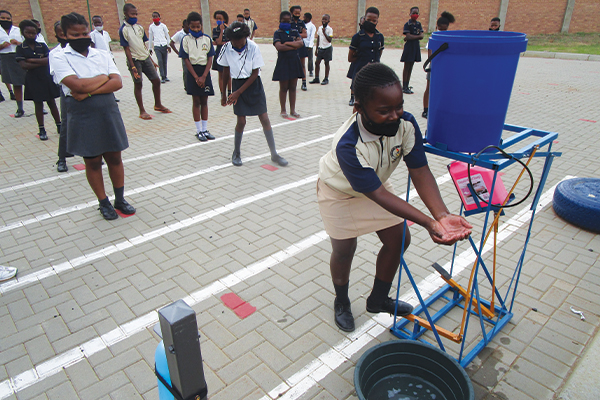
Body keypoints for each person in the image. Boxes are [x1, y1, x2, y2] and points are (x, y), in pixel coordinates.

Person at [317, 62, 472, 332]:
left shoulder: (406, 124)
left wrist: (442, 215)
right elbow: (377, 194)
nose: (394, 116)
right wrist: (428, 223)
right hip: (339, 192)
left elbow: (420, 171)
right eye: (383, 110)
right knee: (344, 250)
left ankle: (378, 299)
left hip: (373, 184)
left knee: (399, 239)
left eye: (398, 106)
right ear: (359, 108)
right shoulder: (348, 144)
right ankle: (341, 301)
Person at [51, 12, 135, 221]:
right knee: (93, 161)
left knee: (115, 158)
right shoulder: (59, 55)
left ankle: (119, 199)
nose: (81, 37)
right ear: (64, 35)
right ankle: (103, 202)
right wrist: (103, 78)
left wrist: (88, 91)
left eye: (84, 33)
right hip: (83, 114)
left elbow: (117, 82)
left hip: (107, 110)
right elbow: (76, 85)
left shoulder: (101, 54)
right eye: (75, 34)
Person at [218, 22, 288, 168]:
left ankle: (274, 153)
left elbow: (255, 73)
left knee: (265, 119)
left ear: (246, 37)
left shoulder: (253, 47)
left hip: (253, 85)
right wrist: (224, 94)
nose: (238, 45)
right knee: (241, 122)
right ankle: (236, 153)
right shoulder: (226, 48)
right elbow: (225, 71)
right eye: (235, 43)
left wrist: (238, 93)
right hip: (237, 84)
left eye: (241, 42)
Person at [119, 3, 171, 120]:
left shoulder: (139, 28)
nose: (134, 16)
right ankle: (142, 110)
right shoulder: (123, 29)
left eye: (136, 14)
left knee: (156, 80)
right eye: (132, 14)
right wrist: (132, 66)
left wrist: (151, 60)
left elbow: (143, 45)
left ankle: (158, 104)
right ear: (125, 14)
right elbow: (126, 49)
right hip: (135, 60)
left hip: (145, 58)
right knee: (138, 84)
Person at [16, 19, 61, 141]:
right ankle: (42, 129)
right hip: (33, 79)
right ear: (23, 33)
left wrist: (31, 60)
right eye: (28, 33)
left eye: (33, 33)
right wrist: (41, 61)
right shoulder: (20, 48)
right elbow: (24, 65)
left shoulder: (42, 45)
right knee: (38, 104)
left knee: (52, 102)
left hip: (46, 77)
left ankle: (59, 125)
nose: (31, 35)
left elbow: (48, 61)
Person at [180, 11, 216, 142]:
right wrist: (196, 77)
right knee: (196, 102)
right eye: (192, 27)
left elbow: (210, 58)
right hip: (192, 72)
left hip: (204, 71)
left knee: (204, 101)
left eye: (198, 26)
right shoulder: (185, 40)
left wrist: (204, 76)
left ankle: (205, 129)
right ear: (188, 26)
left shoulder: (207, 39)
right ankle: (198, 130)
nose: (195, 29)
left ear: (201, 25)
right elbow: (186, 59)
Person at [49, 20, 73, 172]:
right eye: (61, 33)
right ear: (57, 35)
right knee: (66, 125)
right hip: (67, 92)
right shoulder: (55, 54)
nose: (64, 36)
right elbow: (57, 77)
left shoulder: (82, 51)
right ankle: (62, 158)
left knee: (89, 123)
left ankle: (94, 154)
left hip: (87, 92)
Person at [347, 8, 383, 106]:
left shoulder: (380, 36)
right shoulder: (357, 37)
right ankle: (353, 98)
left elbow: (379, 53)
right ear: (364, 19)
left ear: (377, 21)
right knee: (358, 95)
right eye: (368, 20)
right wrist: (361, 60)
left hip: (375, 69)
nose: (371, 22)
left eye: (374, 21)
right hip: (360, 68)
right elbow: (350, 58)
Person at [422, 11, 454, 119]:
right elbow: (430, 54)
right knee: (429, 88)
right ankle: (425, 110)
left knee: (444, 89)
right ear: (437, 26)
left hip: (446, 67)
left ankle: (441, 109)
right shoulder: (434, 38)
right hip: (434, 66)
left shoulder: (449, 39)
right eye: (440, 29)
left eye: (444, 29)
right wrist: (433, 65)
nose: (442, 31)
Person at [272, 11, 304, 119]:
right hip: (283, 62)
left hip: (294, 61)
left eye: (288, 21)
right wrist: (293, 45)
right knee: (284, 87)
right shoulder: (277, 33)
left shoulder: (294, 31)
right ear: (280, 21)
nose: (286, 23)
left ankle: (293, 110)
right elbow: (279, 47)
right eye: (283, 21)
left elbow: (301, 43)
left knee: (293, 87)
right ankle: (283, 109)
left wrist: (286, 43)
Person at [0, 10, 27, 117]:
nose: (6, 20)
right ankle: (20, 108)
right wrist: (1, 46)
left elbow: (28, 43)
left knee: (30, 82)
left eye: (8, 18)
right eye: (3, 18)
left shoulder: (18, 30)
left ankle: (39, 105)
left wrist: (18, 43)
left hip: (20, 57)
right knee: (16, 83)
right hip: (6, 58)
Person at [90, 15, 120, 102]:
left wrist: (112, 56)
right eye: (95, 23)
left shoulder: (106, 33)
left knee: (111, 76)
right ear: (93, 24)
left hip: (109, 57)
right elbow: (92, 47)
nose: (97, 24)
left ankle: (112, 94)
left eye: (99, 22)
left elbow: (108, 46)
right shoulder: (92, 35)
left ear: (102, 23)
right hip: (99, 59)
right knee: (103, 77)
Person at [401, 6, 424, 95]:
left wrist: (411, 37)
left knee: (411, 66)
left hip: (415, 47)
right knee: (407, 66)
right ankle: (404, 86)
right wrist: (415, 37)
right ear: (410, 14)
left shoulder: (418, 24)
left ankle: (407, 85)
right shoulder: (408, 24)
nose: (415, 15)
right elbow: (408, 36)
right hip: (409, 47)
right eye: (413, 13)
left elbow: (422, 36)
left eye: (416, 13)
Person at [309, 14, 333, 86]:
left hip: (327, 48)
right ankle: (317, 78)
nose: (324, 21)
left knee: (326, 63)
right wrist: (316, 49)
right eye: (323, 19)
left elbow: (329, 40)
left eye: (325, 19)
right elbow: (318, 38)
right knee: (317, 63)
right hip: (321, 48)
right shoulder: (319, 28)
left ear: (328, 21)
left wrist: (324, 32)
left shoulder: (330, 29)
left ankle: (326, 78)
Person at [212, 10, 231, 96]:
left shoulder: (229, 30)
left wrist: (223, 42)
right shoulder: (215, 30)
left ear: (224, 19)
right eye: (217, 19)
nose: (218, 20)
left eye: (220, 18)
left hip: (228, 52)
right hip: (219, 52)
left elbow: (230, 42)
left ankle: (229, 92)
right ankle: (222, 93)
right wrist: (221, 31)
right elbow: (218, 42)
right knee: (221, 74)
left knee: (228, 74)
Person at [149, 11, 171, 83]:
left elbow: (167, 36)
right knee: (160, 61)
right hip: (157, 46)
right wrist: (150, 48)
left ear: (159, 17)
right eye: (153, 16)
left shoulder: (163, 26)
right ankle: (162, 76)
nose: (155, 18)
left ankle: (165, 76)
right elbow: (150, 38)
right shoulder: (151, 27)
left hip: (164, 45)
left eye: (156, 16)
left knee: (164, 61)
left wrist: (168, 45)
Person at [289, 5, 308, 91]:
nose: (297, 14)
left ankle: (304, 83)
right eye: (295, 13)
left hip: (301, 46)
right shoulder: (289, 22)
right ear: (291, 13)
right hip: (292, 46)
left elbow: (305, 35)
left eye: (298, 13)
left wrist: (296, 35)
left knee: (302, 64)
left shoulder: (301, 22)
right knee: (292, 65)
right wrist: (299, 35)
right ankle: (291, 83)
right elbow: (289, 35)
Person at [169, 19, 189, 90]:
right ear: (183, 27)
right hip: (184, 54)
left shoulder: (192, 33)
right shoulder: (179, 34)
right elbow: (171, 43)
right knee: (186, 71)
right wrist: (178, 53)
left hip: (193, 54)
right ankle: (186, 87)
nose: (189, 28)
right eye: (187, 26)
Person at [302, 13, 316, 78]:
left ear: (308, 19)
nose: (303, 19)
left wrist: (310, 45)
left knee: (310, 59)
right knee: (301, 58)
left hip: (308, 45)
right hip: (302, 44)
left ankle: (310, 71)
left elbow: (312, 36)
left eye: (304, 17)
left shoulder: (312, 26)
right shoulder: (302, 25)